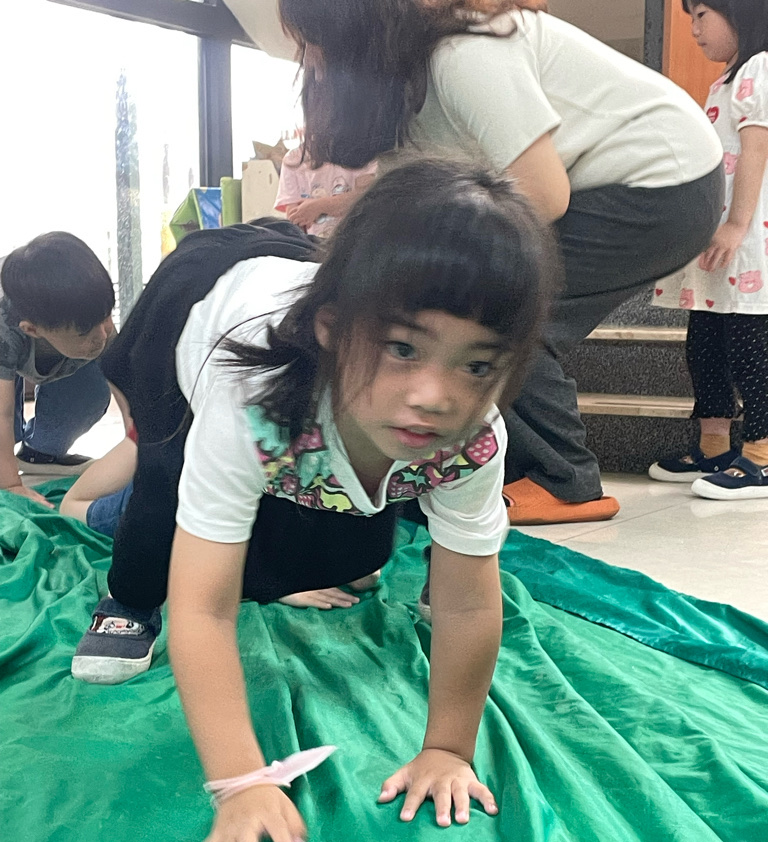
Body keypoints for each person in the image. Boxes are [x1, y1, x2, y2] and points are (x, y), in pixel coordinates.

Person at [69, 160, 554, 842]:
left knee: (351, 544)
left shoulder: (473, 438)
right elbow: (203, 608)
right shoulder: (250, 401)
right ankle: (128, 600)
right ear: (333, 329)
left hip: (305, 284)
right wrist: (241, 782)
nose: (434, 396)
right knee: (164, 498)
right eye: (404, 349)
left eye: (477, 366)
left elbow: (467, 601)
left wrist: (448, 748)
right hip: (197, 297)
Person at [277, 0, 726, 525]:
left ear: (357, 35)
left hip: (662, 181)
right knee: (461, 306)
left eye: (312, 43)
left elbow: (543, 194)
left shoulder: (463, 53)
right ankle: (507, 466)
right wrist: (341, 224)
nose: (309, 62)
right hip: (609, 183)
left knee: (499, 315)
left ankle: (565, 481)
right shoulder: (406, 83)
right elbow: (407, 193)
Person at [650, 0, 768, 499]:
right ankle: (714, 445)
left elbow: (757, 148)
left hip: (748, 237)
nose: (694, 29)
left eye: (701, 15)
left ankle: (761, 454)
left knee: (748, 346)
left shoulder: (761, 68)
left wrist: (737, 224)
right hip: (720, 237)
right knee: (704, 344)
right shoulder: (726, 79)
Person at [0, 232, 116, 506]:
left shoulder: (88, 319)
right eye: (86, 332)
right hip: (9, 346)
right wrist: (11, 484)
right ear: (33, 330)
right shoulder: (6, 330)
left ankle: (39, 452)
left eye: (106, 317)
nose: (103, 334)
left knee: (94, 391)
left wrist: (138, 443)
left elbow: (128, 385)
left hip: (55, 345)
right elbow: (1, 413)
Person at [275, 147, 377, 237]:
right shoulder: (293, 158)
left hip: (356, 240)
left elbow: (367, 198)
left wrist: (320, 206)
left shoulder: (365, 152)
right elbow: (295, 217)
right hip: (313, 244)